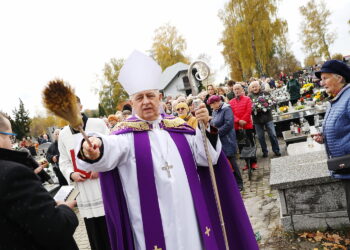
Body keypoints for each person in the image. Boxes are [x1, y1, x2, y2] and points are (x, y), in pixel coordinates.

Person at [76, 50, 258, 250]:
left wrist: (206, 126)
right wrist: (93, 148)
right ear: (132, 102)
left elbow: (208, 157)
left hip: (189, 217)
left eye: (150, 95)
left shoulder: (179, 127)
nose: (146, 101)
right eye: (139, 97)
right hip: (147, 224)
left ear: (160, 97)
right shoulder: (124, 136)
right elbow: (106, 150)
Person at [0, 112, 79, 250]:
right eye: (11, 138)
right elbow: (55, 229)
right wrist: (65, 209)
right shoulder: (13, 174)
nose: (12, 144)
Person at [58, 96, 111, 250]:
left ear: (80, 107)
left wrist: (100, 168)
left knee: (109, 228)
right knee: (94, 232)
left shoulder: (97, 124)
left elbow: (111, 148)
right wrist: (71, 173)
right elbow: (64, 160)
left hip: (102, 185)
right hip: (84, 190)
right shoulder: (63, 134)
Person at [313, 60, 350, 221]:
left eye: (326, 78)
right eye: (321, 79)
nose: (322, 83)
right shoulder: (336, 98)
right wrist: (324, 136)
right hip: (344, 167)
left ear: (340, 78)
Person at [208, 95, 243, 191]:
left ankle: (239, 183)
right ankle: (231, 182)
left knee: (232, 161)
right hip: (219, 140)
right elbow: (213, 123)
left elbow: (229, 124)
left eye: (212, 104)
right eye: (211, 105)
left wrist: (216, 133)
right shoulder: (215, 110)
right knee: (225, 162)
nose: (212, 106)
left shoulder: (226, 109)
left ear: (217, 102)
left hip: (228, 139)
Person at [249, 81, 281, 157]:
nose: (255, 88)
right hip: (257, 119)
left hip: (268, 118)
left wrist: (267, 107)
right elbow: (249, 108)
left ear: (259, 86)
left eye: (256, 86)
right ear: (250, 88)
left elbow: (272, 103)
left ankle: (276, 150)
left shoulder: (265, 93)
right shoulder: (249, 97)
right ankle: (265, 151)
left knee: (272, 135)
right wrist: (254, 109)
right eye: (253, 87)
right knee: (260, 137)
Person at [229, 84, 258, 170]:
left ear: (242, 90)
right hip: (237, 127)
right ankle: (246, 163)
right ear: (233, 91)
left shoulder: (247, 99)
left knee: (250, 143)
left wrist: (243, 121)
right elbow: (231, 114)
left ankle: (253, 162)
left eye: (238, 89)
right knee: (241, 145)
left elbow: (248, 111)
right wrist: (238, 121)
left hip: (247, 125)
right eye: (235, 89)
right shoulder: (231, 102)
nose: (237, 91)